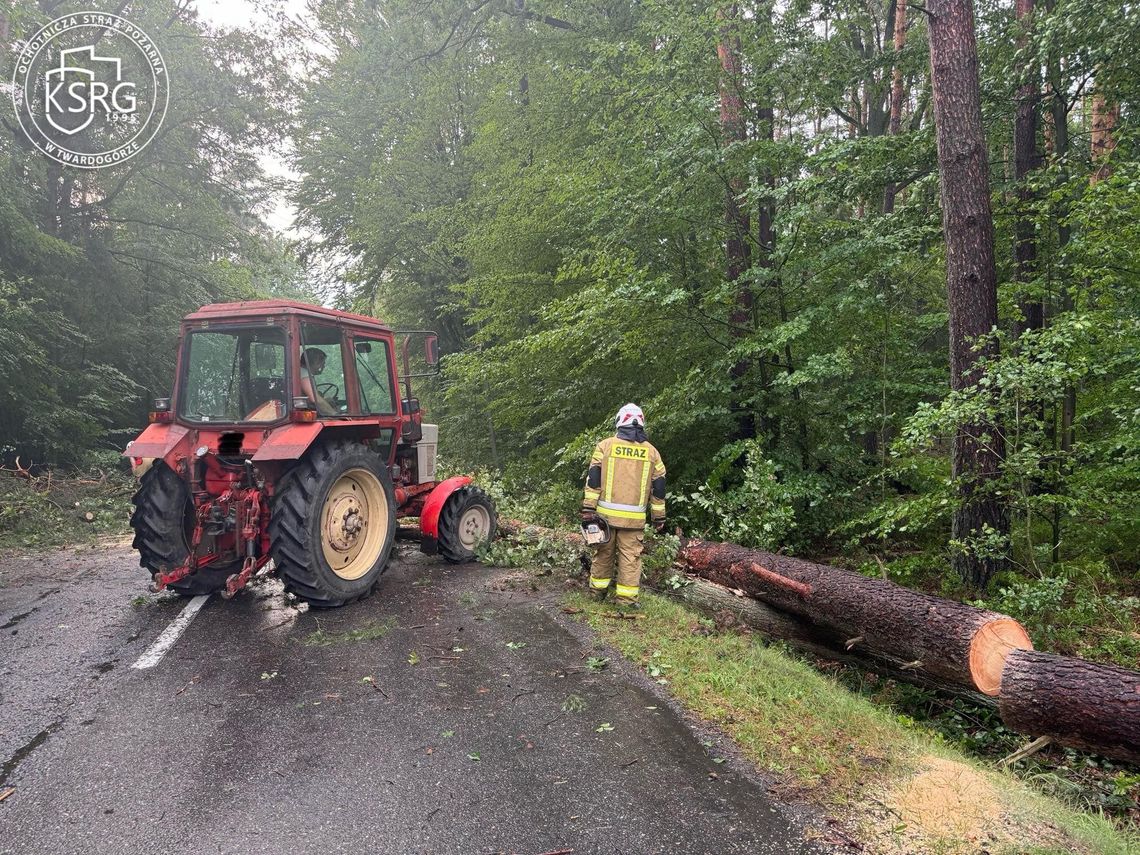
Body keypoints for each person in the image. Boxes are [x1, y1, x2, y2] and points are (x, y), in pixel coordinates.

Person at [581, 403, 666, 607]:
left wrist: (588, 508)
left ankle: (597, 593)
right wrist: (659, 518)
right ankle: (626, 600)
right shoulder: (652, 453)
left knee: (602, 554)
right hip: (634, 520)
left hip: (605, 518)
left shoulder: (605, 446)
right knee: (630, 559)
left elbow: (593, 479)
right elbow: (659, 488)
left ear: (620, 421)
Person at [300, 348, 337, 416]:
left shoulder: (300, 372)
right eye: (323, 363)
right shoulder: (304, 374)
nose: (323, 366)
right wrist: (334, 414)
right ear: (316, 362)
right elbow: (314, 399)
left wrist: (326, 401)